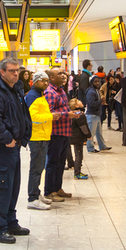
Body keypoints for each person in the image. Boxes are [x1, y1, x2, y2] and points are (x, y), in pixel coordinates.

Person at [0, 58, 32, 244]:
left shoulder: (15, 90)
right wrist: (8, 139)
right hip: (1, 147)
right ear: (2, 72)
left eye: (17, 71)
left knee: (12, 187)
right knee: (1, 188)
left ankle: (10, 222)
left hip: (14, 146)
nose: (15, 74)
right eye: (12, 71)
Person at [44, 67, 79, 202]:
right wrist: (67, 115)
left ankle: (58, 188)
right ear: (52, 78)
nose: (63, 75)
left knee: (60, 162)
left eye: (63, 73)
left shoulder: (61, 91)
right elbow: (50, 113)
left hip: (64, 132)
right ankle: (49, 191)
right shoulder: (50, 93)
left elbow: (63, 108)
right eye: (59, 74)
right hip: (55, 133)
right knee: (53, 162)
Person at [25, 70, 57, 210]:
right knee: (36, 169)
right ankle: (32, 198)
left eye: (46, 81)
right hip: (37, 137)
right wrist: (51, 117)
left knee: (39, 168)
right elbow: (33, 117)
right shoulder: (33, 96)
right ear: (36, 81)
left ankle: (37, 194)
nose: (45, 83)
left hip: (43, 136)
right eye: (42, 80)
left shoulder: (40, 95)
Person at [85, 75, 110, 152]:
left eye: (98, 81)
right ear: (92, 82)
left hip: (97, 115)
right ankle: (90, 148)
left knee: (99, 133)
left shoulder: (96, 90)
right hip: (92, 115)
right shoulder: (91, 92)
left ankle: (102, 146)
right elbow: (91, 103)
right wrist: (100, 102)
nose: (97, 83)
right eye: (95, 81)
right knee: (91, 134)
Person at [68, 98, 91, 180]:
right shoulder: (79, 115)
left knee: (77, 153)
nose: (81, 101)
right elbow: (83, 126)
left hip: (72, 136)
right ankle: (77, 172)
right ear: (77, 105)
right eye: (79, 101)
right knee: (79, 155)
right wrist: (88, 135)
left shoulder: (72, 114)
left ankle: (76, 169)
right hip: (78, 137)